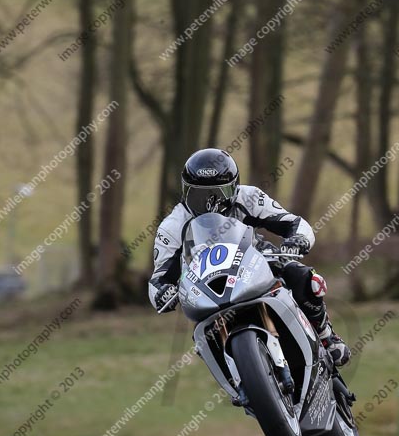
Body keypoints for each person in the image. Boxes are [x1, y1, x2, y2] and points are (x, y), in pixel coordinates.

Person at [148, 148, 351, 366]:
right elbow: (159, 278)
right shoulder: (171, 226)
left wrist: (298, 239)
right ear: (184, 191)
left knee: (302, 276)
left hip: (253, 258)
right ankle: (236, 379)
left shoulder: (249, 197)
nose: (209, 203)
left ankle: (326, 336)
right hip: (205, 282)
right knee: (203, 337)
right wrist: (162, 292)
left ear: (234, 188)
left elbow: (294, 223)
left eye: (218, 194)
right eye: (198, 194)